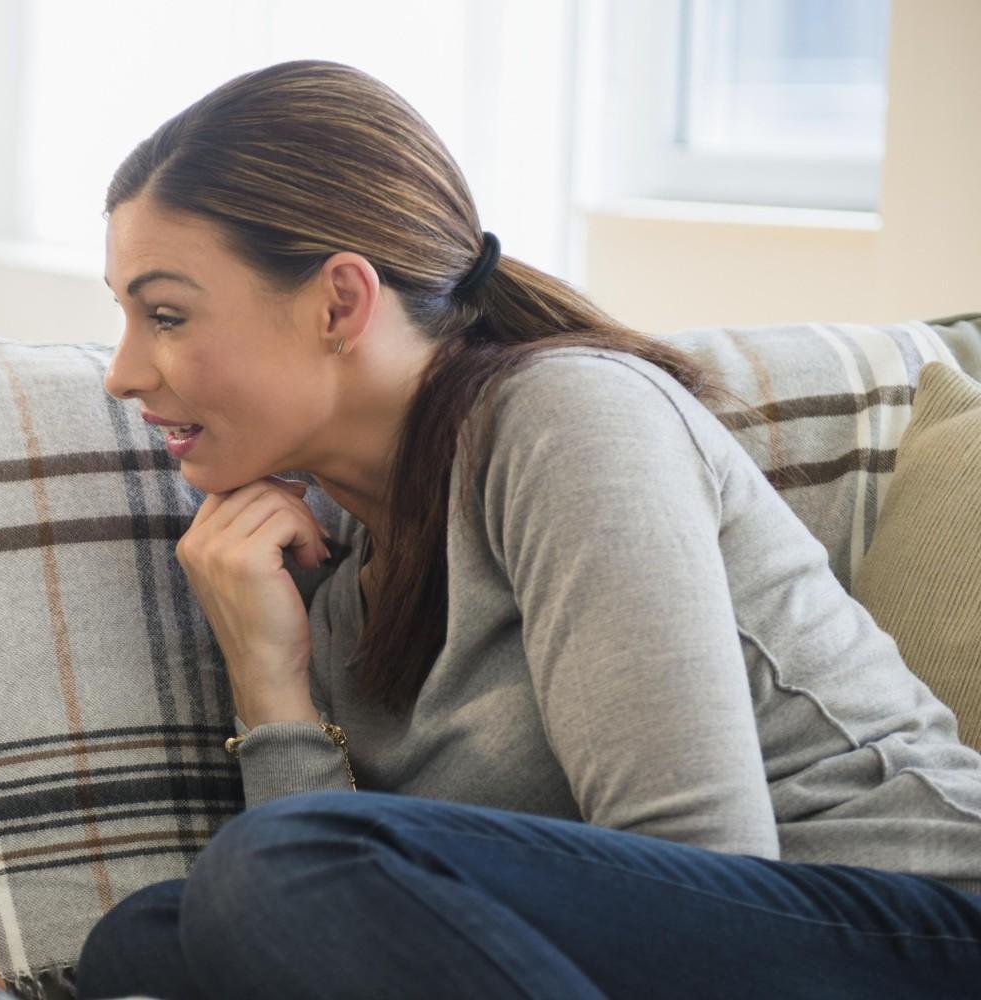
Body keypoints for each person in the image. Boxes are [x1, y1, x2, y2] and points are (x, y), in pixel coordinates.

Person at [77, 60, 981, 998]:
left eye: (168, 315)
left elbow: (699, 864)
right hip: (675, 951)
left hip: (910, 927)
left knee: (277, 866)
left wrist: (295, 869)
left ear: (340, 302)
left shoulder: (568, 416)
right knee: (147, 940)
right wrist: (273, 685)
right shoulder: (324, 561)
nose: (125, 372)